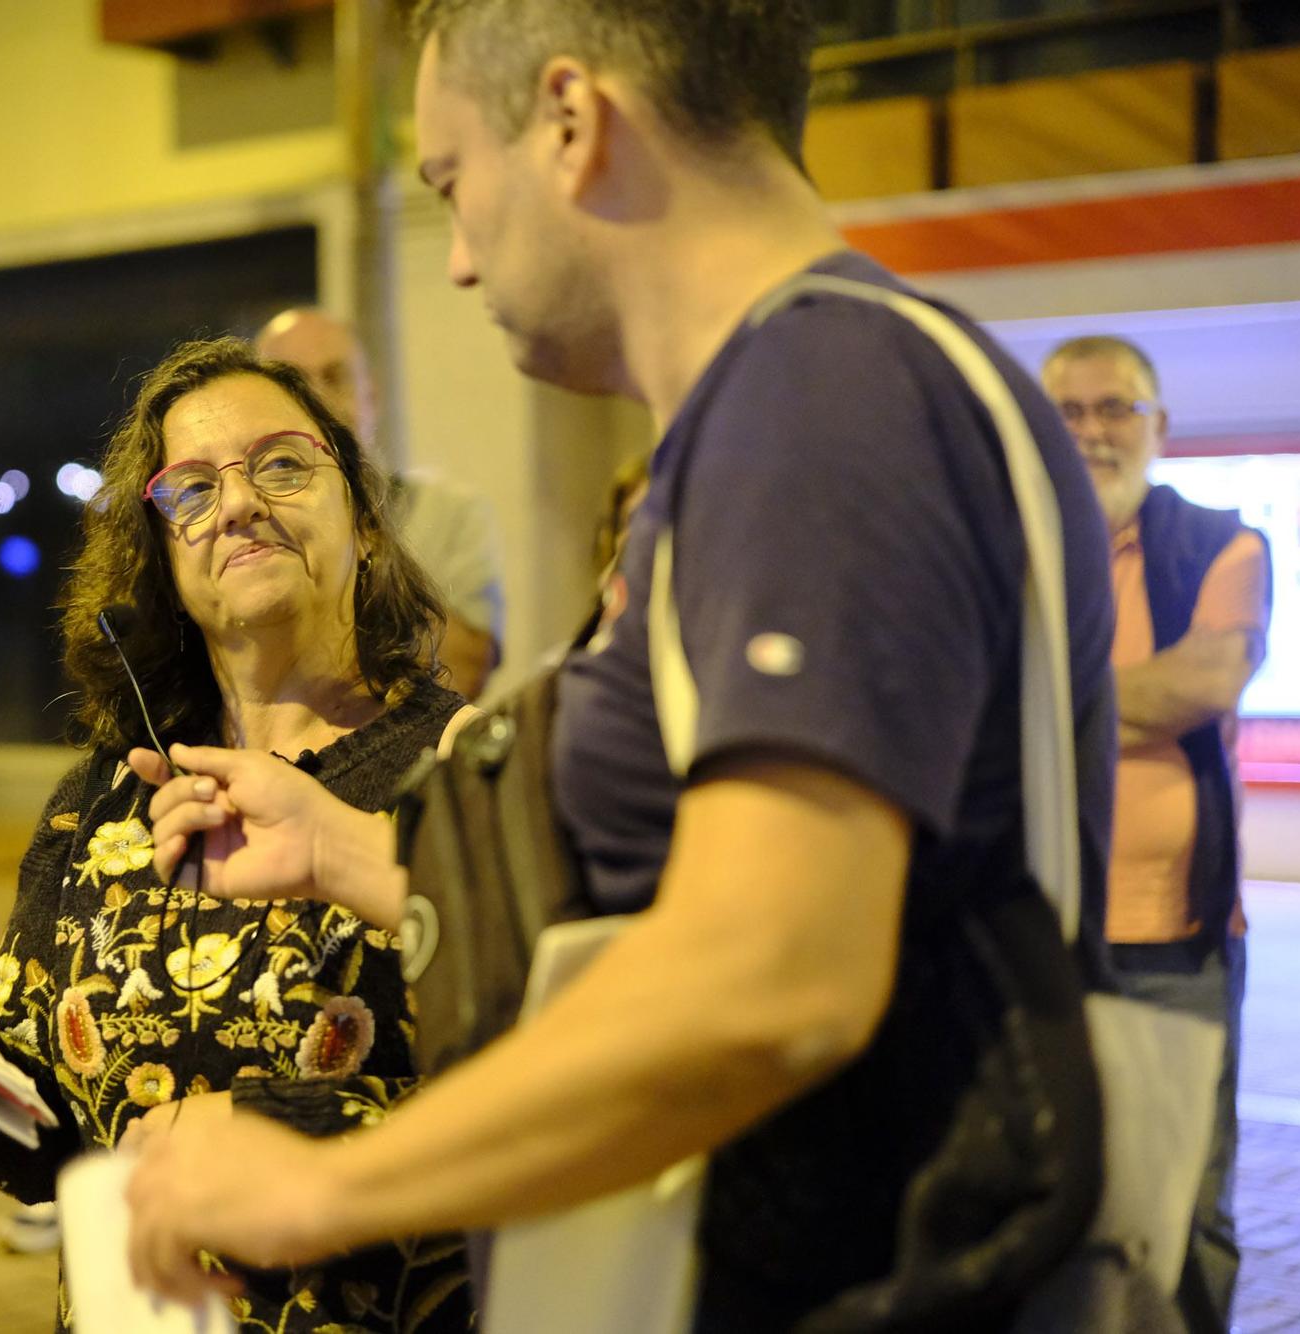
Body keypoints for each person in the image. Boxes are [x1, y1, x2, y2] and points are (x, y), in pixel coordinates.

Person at [122, 2, 1121, 1329]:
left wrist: (324, 1188)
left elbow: (772, 975)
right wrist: (354, 851)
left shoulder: (815, 400)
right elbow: (700, 881)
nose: (463, 261)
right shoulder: (809, 395)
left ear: (576, 125)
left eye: (455, 185)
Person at [0, 338, 476, 1334]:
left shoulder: (464, 767)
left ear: (365, 519)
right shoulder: (101, 800)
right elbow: (57, 1143)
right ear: (161, 557)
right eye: (189, 489)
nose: (236, 503)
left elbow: (557, 1091)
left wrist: (275, 1126)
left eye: (281, 463)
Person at [1043, 334, 1268, 1331]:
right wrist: (1129, 695)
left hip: (1176, 938)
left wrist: (1037, 692)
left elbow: (1203, 682)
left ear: (1158, 426)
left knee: (1180, 1204)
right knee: (1048, 1194)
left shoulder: (1219, 544)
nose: (1092, 432)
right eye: (1069, 412)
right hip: (1035, 931)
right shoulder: (1013, 547)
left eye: (1115, 408)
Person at [257, 307, 505, 697]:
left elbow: (463, 673)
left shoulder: (449, 512)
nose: (317, 401)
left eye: (334, 378)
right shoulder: (246, 526)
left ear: (370, 396)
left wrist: (355, 521)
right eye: (294, 385)